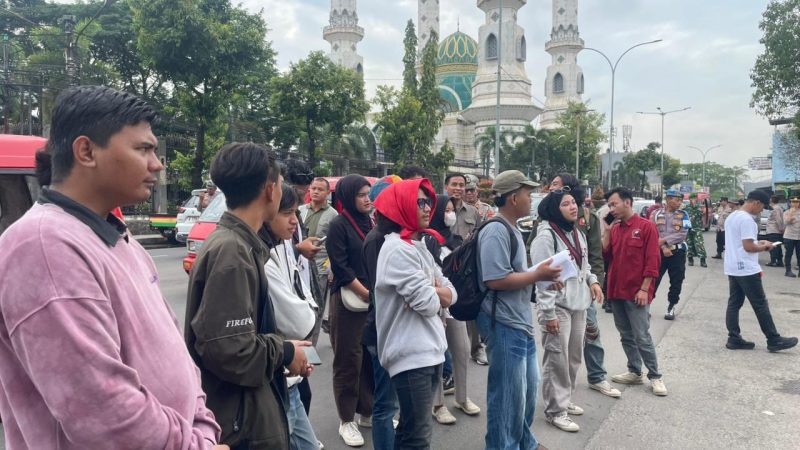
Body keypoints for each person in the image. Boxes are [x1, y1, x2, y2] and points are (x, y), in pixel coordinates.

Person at [0, 85, 226, 449]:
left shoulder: (120, 240)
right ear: (86, 151)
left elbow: (179, 362)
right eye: (143, 149)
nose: (157, 164)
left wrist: (202, 427)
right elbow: (103, 412)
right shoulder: (43, 245)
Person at [186, 142, 312, 449]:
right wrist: (283, 351)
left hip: (245, 413)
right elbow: (230, 349)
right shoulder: (232, 251)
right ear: (270, 190)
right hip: (241, 423)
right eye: (282, 186)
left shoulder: (241, 244)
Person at [476, 170, 562, 450]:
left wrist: (542, 278)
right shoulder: (495, 230)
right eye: (528, 193)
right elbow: (495, 279)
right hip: (502, 323)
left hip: (519, 321)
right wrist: (538, 276)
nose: (531, 197)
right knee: (505, 397)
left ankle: (524, 442)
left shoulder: (512, 227)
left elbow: (516, 274)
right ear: (513, 197)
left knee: (525, 392)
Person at [374, 179, 456, 449]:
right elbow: (429, 304)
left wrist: (436, 292)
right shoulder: (397, 248)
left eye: (428, 202)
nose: (427, 208)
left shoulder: (416, 245)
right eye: (419, 202)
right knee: (418, 437)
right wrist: (436, 293)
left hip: (429, 350)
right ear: (401, 206)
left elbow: (451, 293)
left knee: (412, 432)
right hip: (411, 355)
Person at [531, 189, 604, 433]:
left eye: (575, 202)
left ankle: (565, 398)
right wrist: (548, 313)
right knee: (557, 358)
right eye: (566, 204)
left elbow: (585, 265)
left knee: (573, 357)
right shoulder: (546, 236)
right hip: (558, 306)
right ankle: (555, 410)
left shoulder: (577, 233)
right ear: (554, 209)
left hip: (579, 304)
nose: (574, 207)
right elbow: (542, 279)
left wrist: (593, 281)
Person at [548, 175, 620, 399]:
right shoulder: (547, 222)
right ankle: (559, 397)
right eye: (552, 185)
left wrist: (595, 282)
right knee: (560, 346)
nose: (552, 188)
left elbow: (594, 256)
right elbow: (537, 251)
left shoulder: (586, 218)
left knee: (591, 332)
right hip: (560, 294)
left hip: (583, 288)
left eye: (557, 185)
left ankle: (597, 376)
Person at [261, 183, 321, 450]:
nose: (294, 220)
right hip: (275, 376)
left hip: (287, 372)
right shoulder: (259, 255)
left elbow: (300, 284)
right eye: (287, 212)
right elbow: (298, 320)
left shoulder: (283, 242)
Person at [602, 187, 667, 397]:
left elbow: (652, 261)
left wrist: (644, 289)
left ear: (627, 202)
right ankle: (634, 370)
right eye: (609, 205)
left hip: (636, 292)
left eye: (614, 204)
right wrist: (606, 229)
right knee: (625, 335)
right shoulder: (616, 228)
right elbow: (605, 254)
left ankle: (655, 376)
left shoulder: (646, 227)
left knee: (642, 336)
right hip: (616, 290)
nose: (611, 208)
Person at [325, 174, 375, 447]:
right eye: (361, 195)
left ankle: (367, 411)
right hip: (349, 303)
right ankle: (346, 420)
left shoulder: (370, 222)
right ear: (347, 197)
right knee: (348, 361)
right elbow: (342, 268)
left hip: (371, 303)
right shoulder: (339, 225)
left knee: (368, 357)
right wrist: (367, 293)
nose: (367, 198)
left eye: (368, 193)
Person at [424, 194, 479, 425]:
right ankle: (438, 405)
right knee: (438, 354)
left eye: (452, 210)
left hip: (455, 305)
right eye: (445, 210)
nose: (450, 214)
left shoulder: (456, 239)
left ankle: (462, 397)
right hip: (437, 306)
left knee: (462, 349)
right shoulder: (427, 240)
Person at [724, 190, 798, 351]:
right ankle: (773, 339)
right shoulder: (747, 220)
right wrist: (765, 247)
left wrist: (759, 241)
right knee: (760, 304)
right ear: (756, 202)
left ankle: (733, 338)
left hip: (733, 266)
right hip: (747, 268)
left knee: (734, 303)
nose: (762, 210)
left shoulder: (733, 216)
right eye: (763, 206)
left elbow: (742, 241)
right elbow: (748, 247)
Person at [362, 210, 402, 449]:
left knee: (392, 404)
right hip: (382, 331)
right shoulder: (379, 239)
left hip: (389, 330)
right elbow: (383, 292)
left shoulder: (391, 237)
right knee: (386, 405)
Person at [445, 173, 487, 365]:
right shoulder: (440, 208)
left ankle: (476, 349)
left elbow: (479, 238)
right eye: (454, 184)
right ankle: (447, 354)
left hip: (466, 268)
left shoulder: (472, 212)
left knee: (471, 306)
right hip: (445, 267)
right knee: (447, 311)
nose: (458, 188)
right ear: (446, 186)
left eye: (461, 185)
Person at [299, 177, 339, 339]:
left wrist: (331, 269)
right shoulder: (300, 210)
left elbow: (334, 246)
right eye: (313, 188)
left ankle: (311, 346)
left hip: (320, 268)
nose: (315, 191)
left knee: (316, 308)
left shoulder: (333, 215)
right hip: (299, 266)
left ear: (328, 193)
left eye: (320, 189)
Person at [652, 189, 690, 320]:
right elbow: (652, 233)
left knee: (676, 280)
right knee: (653, 278)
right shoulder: (655, 214)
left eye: (681, 200)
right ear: (668, 199)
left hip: (678, 252)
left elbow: (683, 233)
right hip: (659, 252)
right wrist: (663, 247)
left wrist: (665, 240)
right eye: (677, 200)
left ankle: (671, 306)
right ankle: (646, 305)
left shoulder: (684, 215)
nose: (680, 203)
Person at [685, 193, 708, 267]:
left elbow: (701, 214)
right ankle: (690, 260)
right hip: (688, 228)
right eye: (692, 199)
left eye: (695, 199)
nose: (693, 200)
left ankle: (703, 260)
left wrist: (695, 206)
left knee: (699, 244)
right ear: (690, 199)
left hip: (697, 228)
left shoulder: (699, 207)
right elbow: (683, 215)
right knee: (689, 244)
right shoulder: (686, 207)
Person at [765, 195, 786, 267]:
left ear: (771, 200)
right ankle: (779, 261)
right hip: (776, 231)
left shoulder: (776, 209)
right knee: (778, 246)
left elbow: (778, 220)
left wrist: (781, 229)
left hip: (774, 231)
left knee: (773, 246)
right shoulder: (778, 208)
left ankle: (773, 261)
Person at [783, 197, 800, 277]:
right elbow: (786, 222)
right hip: (789, 236)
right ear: (790, 203)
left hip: (799, 237)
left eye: (797, 202)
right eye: (793, 202)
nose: (795, 203)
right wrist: (791, 214)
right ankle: (788, 271)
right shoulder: (786, 212)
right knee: (788, 254)